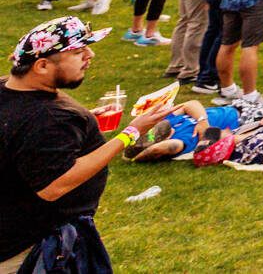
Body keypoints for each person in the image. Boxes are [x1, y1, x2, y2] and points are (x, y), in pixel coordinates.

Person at [2, 16, 177, 274]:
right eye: (79, 51)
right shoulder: (49, 119)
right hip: (35, 247)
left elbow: (20, 134)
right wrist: (131, 132)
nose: (90, 55)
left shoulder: (9, 89)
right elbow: (55, 185)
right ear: (41, 65)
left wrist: (85, 123)